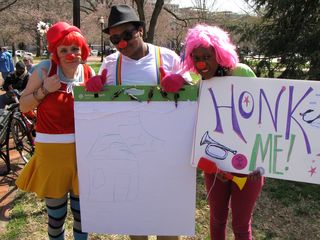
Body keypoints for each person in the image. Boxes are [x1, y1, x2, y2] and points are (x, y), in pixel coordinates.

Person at [85, 4, 189, 240]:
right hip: (128, 157)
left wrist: (181, 83)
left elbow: (190, 98)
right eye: (115, 39)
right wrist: (95, 93)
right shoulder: (111, 64)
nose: (122, 43)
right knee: (136, 221)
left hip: (166, 156)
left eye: (127, 35)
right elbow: (101, 114)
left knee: (168, 225)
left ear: (140, 30)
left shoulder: (168, 57)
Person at [181, 24, 264, 240]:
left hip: (248, 167)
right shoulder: (202, 86)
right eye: (196, 57)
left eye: (207, 56)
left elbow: (263, 119)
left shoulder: (242, 72)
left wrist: (261, 161)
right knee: (217, 219)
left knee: (241, 225)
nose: (201, 63)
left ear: (218, 54)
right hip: (215, 167)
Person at [16, 21, 94, 240]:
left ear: (83, 50)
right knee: (56, 216)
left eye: (75, 49)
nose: (70, 54)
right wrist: (44, 91)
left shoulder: (87, 72)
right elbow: (23, 106)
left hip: (83, 153)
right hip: (52, 153)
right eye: (64, 50)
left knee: (83, 215)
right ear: (56, 53)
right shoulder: (45, 70)